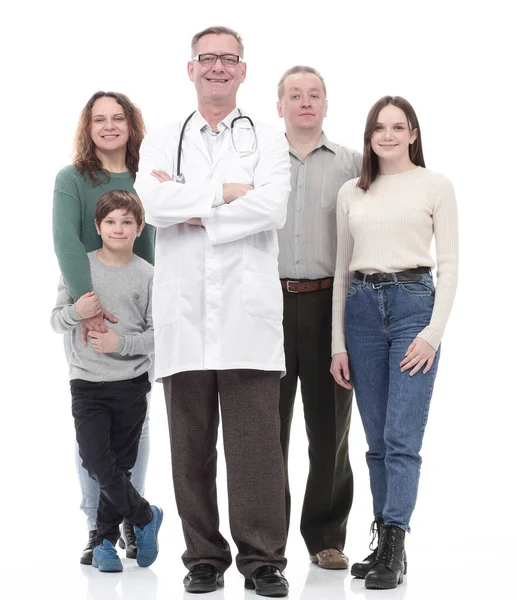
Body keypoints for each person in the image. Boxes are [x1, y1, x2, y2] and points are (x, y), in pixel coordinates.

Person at [135, 26, 290, 598]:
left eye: (229, 59)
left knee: (255, 448)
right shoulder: (161, 139)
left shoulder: (268, 140)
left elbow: (271, 207)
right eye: (208, 59)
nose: (218, 68)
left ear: (243, 71)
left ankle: (263, 561)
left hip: (246, 318)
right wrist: (227, 193)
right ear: (191, 68)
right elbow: (149, 204)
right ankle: (203, 555)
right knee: (190, 446)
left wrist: (190, 200)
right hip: (184, 314)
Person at [330, 96, 458, 589]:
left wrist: (432, 333)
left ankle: (396, 543)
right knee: (376, 441)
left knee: (402, 439)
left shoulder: (435, 186)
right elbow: (342, 269)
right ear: (369, 137)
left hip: (412, 308)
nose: (387, 135)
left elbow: (449, 264)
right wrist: (337, 343)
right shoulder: (352, 191)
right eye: (378, 128)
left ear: (412, 134)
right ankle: (383, 541)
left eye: (397, 127)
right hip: (361, 310)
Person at [52, 91, 155, 564]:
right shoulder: (72, 179)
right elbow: (66, 240)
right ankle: (100, 529)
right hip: (87, 317)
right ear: (87, 127)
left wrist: (140, 311)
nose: (109, 126)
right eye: (99, 119)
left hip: (132, 321)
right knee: (91, 440)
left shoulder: (145, 178)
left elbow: (151, 245)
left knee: (133, 435)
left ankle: (130, 524)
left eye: (118, 118)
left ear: (131, 126)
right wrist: (85, 305)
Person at [276, 66, 361, 569]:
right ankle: (267, 540)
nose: (304, 102)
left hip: (332, 304)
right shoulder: (261, 161)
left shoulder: (351, 164)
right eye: (294, 95)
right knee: (268, 429)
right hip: (268, 303)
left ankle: (326, 537)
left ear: (326, 106)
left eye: (314, 95)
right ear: (279, 105)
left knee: (330, 429)